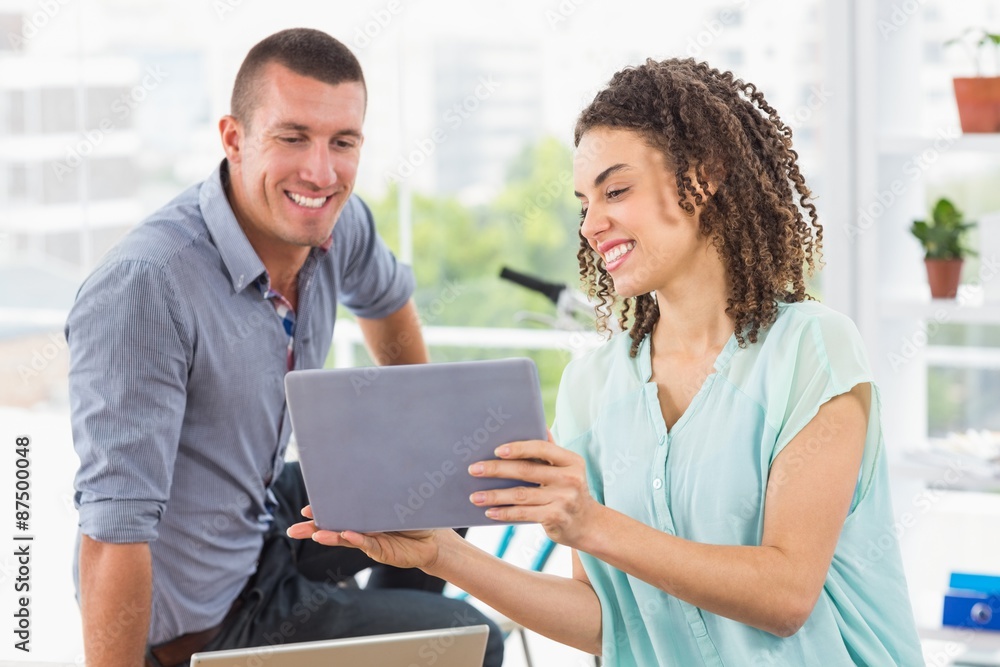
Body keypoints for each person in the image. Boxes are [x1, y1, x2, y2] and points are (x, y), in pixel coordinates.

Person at [289, 58, 925, 666]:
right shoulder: (593, 386)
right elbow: (603, 623)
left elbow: (786, 596)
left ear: (704, 175)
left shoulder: (812, 350)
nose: (592, 224)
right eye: (583, 203)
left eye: (615, 189)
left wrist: (589, 523)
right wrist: (441, 555)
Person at [66, 28, 503, 667]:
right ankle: (396, 642)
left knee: (450, 464)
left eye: (342, 142)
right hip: (208, 615)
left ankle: (385, 639)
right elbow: (112, 537)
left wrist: (419, 431)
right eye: (292, 137)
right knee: (470, 638)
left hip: (259, 512)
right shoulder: (147, 287)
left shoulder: (332, 219)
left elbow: (386, 303)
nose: (320, 172)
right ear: (234, 139)